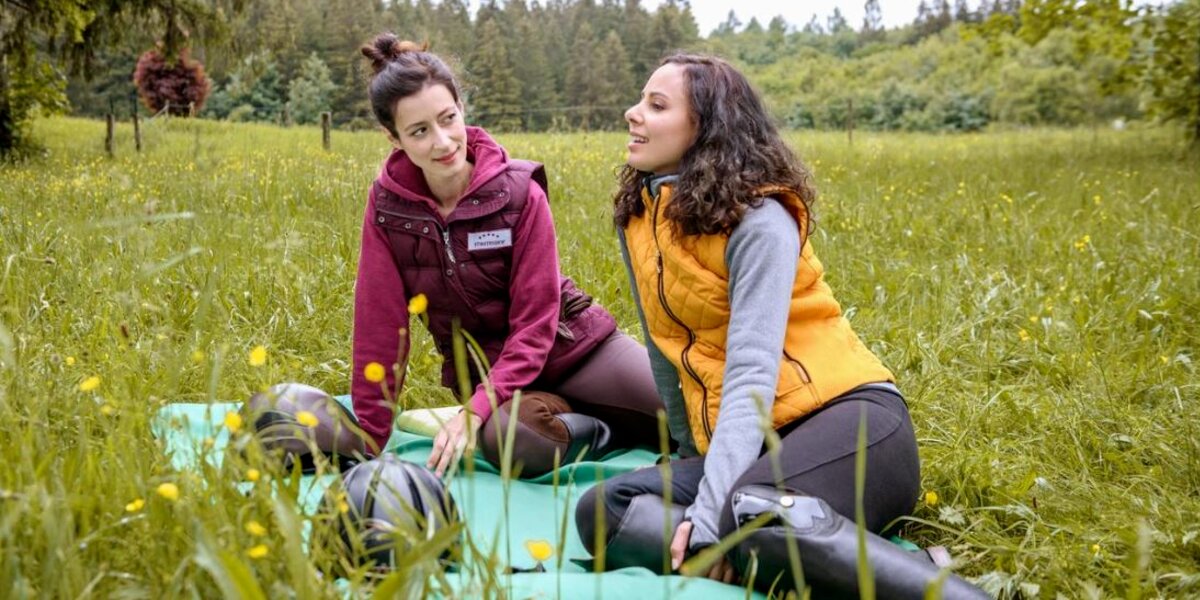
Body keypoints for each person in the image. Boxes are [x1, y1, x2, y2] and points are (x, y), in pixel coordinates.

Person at [574, 53, 962, 595]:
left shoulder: (759, 219)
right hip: (760, 448)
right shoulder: (641, 215)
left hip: (853, 425)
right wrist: (693, 457)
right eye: (641, 101)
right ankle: (801, 552)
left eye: (656, 105)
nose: (631, 114)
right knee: (605, 509)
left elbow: (752, 374)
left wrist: (708, 518)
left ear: (705, 127)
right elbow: (665, 352)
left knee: (745, 516)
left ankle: (936, 585)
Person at [351, 34, 663, 479]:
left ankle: (608, 413)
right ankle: (604, 430)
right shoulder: (387, 209)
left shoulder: (519, 191)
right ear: (393, 137)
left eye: (448, 119)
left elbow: (536, 324)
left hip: (574, 350)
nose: (442, 142)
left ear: (461, 107)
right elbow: (379, 327)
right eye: (419, 131)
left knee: (692, 414)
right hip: (499, 383)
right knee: (516, 443)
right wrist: (368, 442)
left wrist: (472, 411)